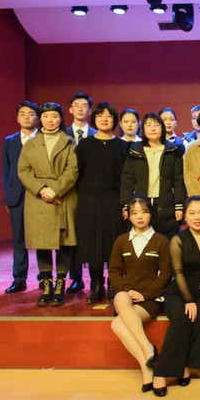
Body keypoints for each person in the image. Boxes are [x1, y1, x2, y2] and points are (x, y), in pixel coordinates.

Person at [152, 196, 200, 395]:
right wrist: (189, 300)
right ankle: (161, 372)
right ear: (185, 216)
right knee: (182, 317)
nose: (197, 218)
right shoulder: (177, 240)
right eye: (192, 213)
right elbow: (178, 272)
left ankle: (188, 365)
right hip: (180, 292)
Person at [108, 195, 172, 396]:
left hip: (150, 300)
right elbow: (114, 272)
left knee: (117, 324)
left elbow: (166, 274)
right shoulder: (121, 241)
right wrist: (128, 290)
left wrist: (145, 295)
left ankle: (147, 368)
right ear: (128, 216)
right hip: (127, 297)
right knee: (120, 297)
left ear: (151, 214)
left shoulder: (161, 241)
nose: (140, 217)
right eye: (134, 213)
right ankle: (148, 351)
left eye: (144, 212)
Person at [18, 102, 78, 306]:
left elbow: (73, 170)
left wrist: (55, 190)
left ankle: (60, 284)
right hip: (38, 199)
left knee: (63, 244)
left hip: (63, 197)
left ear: (61, 118)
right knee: (42, 242)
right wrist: (42, 189)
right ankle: (46, 285)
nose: (50, 120)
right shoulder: (30, 144)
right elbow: (23, 170)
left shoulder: (69, 142)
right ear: (40, 119)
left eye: (54, 116)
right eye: (46, 116)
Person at [75, 102, 129, 303]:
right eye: (100, 115)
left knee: (113, 243)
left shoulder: (122, 146)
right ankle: (96, 285)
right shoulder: (85, 145)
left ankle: (114, 284)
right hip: (89, 200)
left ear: (115, 120)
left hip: (114, 200)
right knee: (92, 243)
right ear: (94, 119)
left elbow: (126, 177)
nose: (104, 119)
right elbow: (77, 173)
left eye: (109, 116)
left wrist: (125, 203)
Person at [120, 113, 185, 239]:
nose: (153, 128)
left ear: (162, 128)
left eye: (156, 125)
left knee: (166, 238)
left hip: (166, 202)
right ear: (143, 128)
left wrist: (179, 205)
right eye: (148, 125)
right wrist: (126, 204)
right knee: (142, 238)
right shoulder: (134, 150)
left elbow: (178, 180)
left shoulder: (173, 150)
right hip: (141, 202)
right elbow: (127, 180)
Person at [2, 101, 39, 294]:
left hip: (39, 195)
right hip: (16, 196)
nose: (26, 117)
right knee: (18, 238)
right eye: (22, 114)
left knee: (42, 238)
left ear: (37, 118)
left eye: (31, 114)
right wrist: (7, 196)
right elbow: (6, 170)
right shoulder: (9, 141)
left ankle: (45, 277)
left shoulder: (43, 139)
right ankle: (19, 278)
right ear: (17, 118)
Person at [65, 92, 96, 294]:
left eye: (84, 105)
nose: (80, 109)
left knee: (92, 235)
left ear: (90, 110)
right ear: (70, 109)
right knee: (72, 235)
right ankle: (75, 278)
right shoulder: (63, 134)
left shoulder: (97, 134)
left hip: (91, 191)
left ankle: (96, 278)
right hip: (69, 192)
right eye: (76, 105)